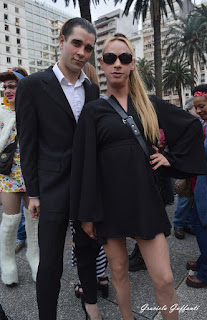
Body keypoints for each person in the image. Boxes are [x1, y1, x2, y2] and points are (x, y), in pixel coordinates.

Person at [70, 35, 207, 320]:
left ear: (133, 64)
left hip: (144, 199)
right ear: (103, 65)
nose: (116, 64)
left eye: (124, 58)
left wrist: (172, 160)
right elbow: (84, 164)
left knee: (165, 278)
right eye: (110, 58)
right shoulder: (93, 110)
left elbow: (193, 126)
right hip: (108, 204)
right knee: (118, 273)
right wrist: (86, 215)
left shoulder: (150, 104)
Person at [15, 18, 102, 320]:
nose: (81, 52)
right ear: (62, 41)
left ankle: (91, 305)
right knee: (50, 262)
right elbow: (27, 143)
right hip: (51, 189)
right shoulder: (31, 86)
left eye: (88, 48)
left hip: (85, 187)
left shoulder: (92, 90)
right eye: (76, 43)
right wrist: (33, 192)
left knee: (89, 252)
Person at [71, 61, 109, 300]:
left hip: (80, 178)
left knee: (81, 238)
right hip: (103, 178)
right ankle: (102, 278)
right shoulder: (104, 104)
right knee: (100, 236)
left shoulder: (82, 108)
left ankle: (87, 282)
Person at [0, 67, 39, 287]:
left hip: (32, 176)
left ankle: (35, 259)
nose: (7, 90)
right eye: (5, 86)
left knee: (33, 220)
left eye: (12, 85)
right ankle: (7, 262)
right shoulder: (1, 113)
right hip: (8, 176)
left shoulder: (35, 112)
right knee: (10, 220)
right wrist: (9, 123)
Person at [186, 84, 207, 288]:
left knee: (201, 225)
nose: (199, 111)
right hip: (204, 183)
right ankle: (205, 261)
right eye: (197, 107)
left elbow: (206, 149)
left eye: (202, 106)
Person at [173, 97, 197, 240]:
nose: (199, 110)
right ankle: (178, 224)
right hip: (185, 165)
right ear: (189, 109)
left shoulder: (199, 122)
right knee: (184, 198)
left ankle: (186, 223)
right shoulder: (184, 123)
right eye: (196, 107)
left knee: (190, 199)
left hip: (193, 166)